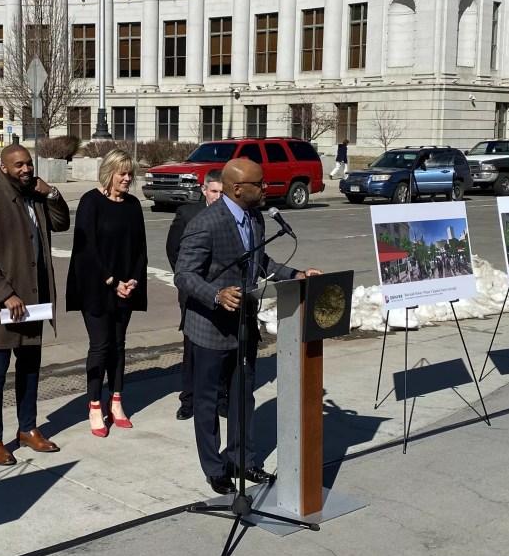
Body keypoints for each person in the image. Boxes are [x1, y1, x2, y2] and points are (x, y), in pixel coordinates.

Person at [174, 157, 321, 496]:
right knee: (208, 402)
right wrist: (215, 294)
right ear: (238, 189)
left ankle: (243, 458)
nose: (266, 188)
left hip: (244, 325)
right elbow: (184, 274)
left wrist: (295, 275)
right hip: (210, 327)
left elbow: (261, 261)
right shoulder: (206, 223)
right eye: (260, 184)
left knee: (243, 395)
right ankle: (215, 468)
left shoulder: (255, 218)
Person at [0, 144, 70, 466]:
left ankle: (28, 429)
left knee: (29, 371)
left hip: (33, 304)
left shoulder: (35, 195)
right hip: (1, 307)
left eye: (28, 164)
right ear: (4, 167)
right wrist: (5, 294)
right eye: (19, 165)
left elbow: (61, 223)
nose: (25, 170)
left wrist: (51, 192)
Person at [66, 149, 148, 437]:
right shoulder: (91, 202)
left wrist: (134, 280)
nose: (127, 178)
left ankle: (116, 402)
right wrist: (113, 281)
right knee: (100, 346)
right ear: (108, 173)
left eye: (130, 174)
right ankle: (94, 405)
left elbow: (140, 248)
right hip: (96, 286)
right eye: (122, 173)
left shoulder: (133, 204)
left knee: (119, 345)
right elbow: (86, 251)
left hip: (126, 288)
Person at [165, 169, 224, 421]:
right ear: (204, 190)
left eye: (223, 192)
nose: (218, 197)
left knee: (222, 345)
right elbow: (173, 251)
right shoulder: (188, 213)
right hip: (194, 291)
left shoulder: (230, 214)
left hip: (223, 292)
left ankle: (221, 397)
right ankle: (188, 399)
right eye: (214, 191)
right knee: (193, 346)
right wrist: (190, 281)